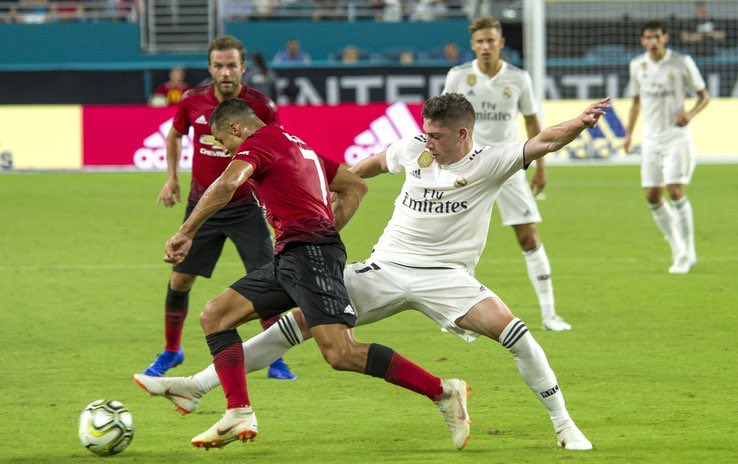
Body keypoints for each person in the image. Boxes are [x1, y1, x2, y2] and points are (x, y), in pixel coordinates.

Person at [135, 93, 608, 451]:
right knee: (298, 325)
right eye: (425, 132)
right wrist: (329, 192)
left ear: (463, 134)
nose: (427, 141)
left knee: (517, 335)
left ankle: (564, 425)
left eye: (437, 136)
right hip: (385, 267)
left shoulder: (492, 161)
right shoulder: (414, 149)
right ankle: (200, 385)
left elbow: (545, 140)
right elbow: (371, 166)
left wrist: (579, 123)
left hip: (447, 278)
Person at [153, 97, 472, 450]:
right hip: (292, 256)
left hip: (310, 254)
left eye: (223, 141)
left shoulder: (258, 144)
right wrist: (328, 228)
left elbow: (228, 183)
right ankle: (238, 411)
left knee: (341, 354)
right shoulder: (294, 143)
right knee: (215, 316)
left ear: (235, 128)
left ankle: (443, 391)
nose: (226, 150)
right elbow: (354, 185)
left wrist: (186, 231)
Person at [143, 35, 296, 381]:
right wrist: (172, 178)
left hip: (246, 207)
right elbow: (174, 135)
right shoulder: (192, 101)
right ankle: (172, 351)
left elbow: (278, 151)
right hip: (203, 206)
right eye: (218, 66)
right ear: (210, 68)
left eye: (231, 65)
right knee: (180, 279)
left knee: (269, 280)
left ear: (243, 67)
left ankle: (275, 358)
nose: (225, 72)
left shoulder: (262, 106)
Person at [442, 15, 571, 331]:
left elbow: (532, 122)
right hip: (469, 168)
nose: (486, 46)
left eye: (491, 41)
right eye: (480, 41)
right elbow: (442, 120)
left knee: (528, 236)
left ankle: (549, 314)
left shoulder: (518, 78)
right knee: (456, 241)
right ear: (473, 45)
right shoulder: (458, 76)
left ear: (500, 43)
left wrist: (540, 166)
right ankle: (454, 316)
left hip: (509, 164)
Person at [624, 20, 709, 274]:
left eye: (657, 37)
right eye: (649, 37)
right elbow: (636, 102)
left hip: (676, 138)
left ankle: (687, 252)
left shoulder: (682, 63)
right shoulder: (637, 66)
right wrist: (628, 134)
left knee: (674, 190)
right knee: (652, 196)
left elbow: (704, 97)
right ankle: (677, 248)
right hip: (651, 140)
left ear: (665, 38)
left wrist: (690, 114)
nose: (653, 42)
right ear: (642, 41)